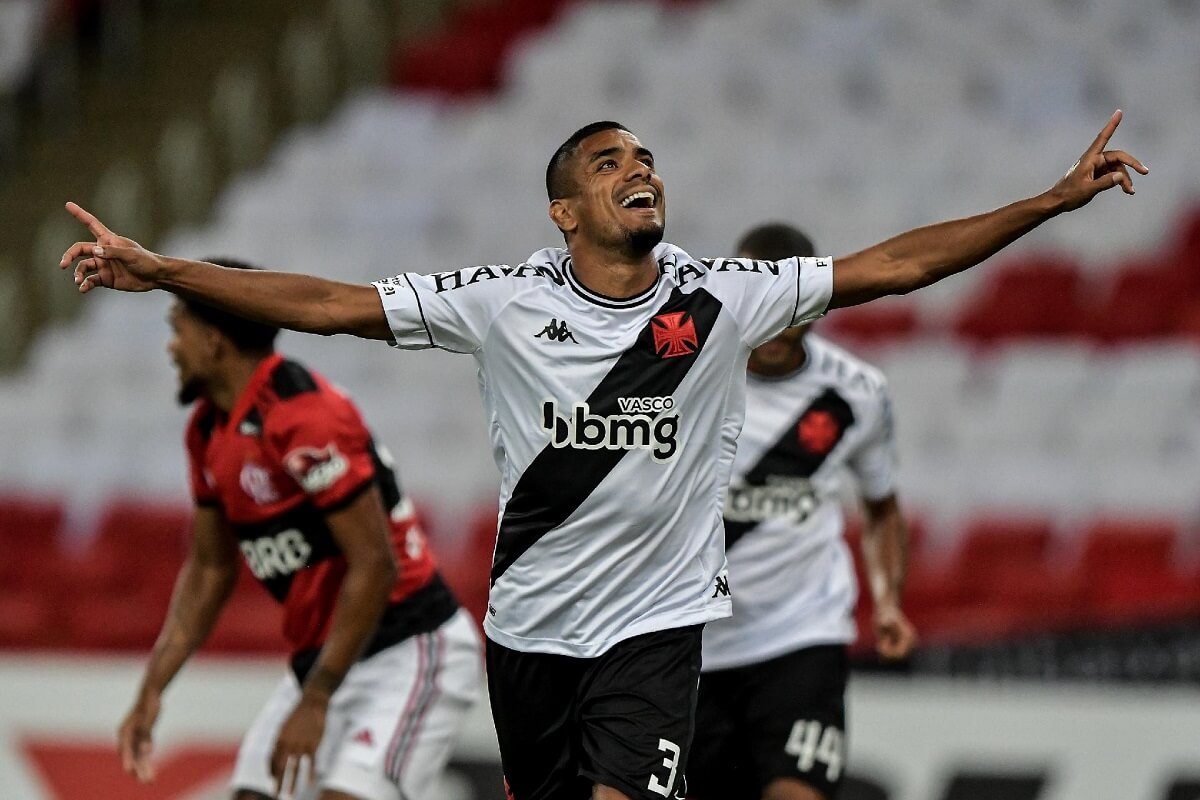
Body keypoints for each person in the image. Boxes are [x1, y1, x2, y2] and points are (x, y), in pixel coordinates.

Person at [62, 112, 1144, 800]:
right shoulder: (500, 304)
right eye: (608, 159)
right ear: (565, 209)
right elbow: (331, 303)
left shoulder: (723, 295)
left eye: (647, 157)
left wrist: (1048, 202)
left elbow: (899, 262)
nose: (641, 168)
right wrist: (165, 269)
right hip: (529, 633)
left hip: (655, 631)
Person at [115, 260, 482, 800]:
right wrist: (153, 688)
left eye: (178, 329)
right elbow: (212, 566)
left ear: (214, 341)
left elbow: (374, 564)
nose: (171, 347)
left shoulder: (301, 416)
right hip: (327, 657)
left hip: (410, 647)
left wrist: (316, 700)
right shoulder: (208, 430)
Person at [687, 224, 916, 800]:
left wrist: (888, 600)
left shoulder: (856, 392)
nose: (776, 322)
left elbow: (883, 508)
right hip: (685, 643)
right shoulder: (682, 379)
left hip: (800, 635)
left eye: (790, 303)